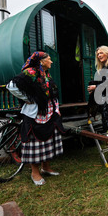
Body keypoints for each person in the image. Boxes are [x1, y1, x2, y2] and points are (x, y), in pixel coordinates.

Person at [7, 51, 67, 186]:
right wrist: (30, 99)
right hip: (35, 115)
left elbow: (53, 93)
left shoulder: (47, 74)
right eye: (49, 59)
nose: (51, 62)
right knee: (35, 143)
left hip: (50, 113)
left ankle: (46, 167)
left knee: (48, 140)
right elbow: (11, 86)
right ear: (41, 61)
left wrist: (57, 109)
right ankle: (34, 173)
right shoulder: (31, 72)